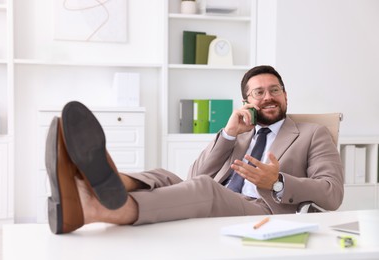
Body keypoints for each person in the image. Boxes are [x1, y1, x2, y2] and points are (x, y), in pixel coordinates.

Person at [45, 65, 344, 234]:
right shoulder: (240, 132)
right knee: (164, 175)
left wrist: (277, 182)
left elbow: (332, 193)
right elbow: (194, 175)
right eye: (259, 92)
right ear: (247, 101)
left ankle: (95, 207)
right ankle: (98, 183)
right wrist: (227, 134)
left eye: (275, 90)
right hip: (216, 197)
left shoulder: (311, 133)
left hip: (264, 210)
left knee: (203, 188)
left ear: (285, 95)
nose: (269, 97)